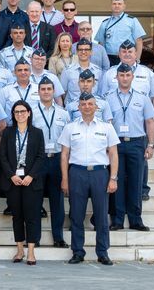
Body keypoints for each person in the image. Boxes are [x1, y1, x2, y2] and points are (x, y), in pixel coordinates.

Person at [60, 91, 119, 265]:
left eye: (90, 104)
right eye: (83, 104)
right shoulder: (70, 128)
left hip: (100, 173)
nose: (87, 107)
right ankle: (78, 251)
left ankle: (102, 252)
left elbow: (113, 154)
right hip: (77, 173)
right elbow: (64, 155)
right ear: (78, 107)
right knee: (76, 215)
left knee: (101, 215)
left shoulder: (106, 128)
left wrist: (113, 178)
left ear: (96, 107)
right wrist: (65, 179)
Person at [105, 63, 154, 231]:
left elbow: (150, 122)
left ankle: (136, 220)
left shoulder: (143, 97)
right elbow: (106, 124)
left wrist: (150, 144)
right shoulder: (108, 98)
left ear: (132, 77)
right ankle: (117, 220)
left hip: (136, 143)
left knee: (136, 181)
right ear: (117, 77)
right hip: (116, 144)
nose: (125, 78)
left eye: (128, 75)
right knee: (116, 180)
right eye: (122, 75)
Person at [0, 100, 45, 265]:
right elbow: (3, 156)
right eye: (16, 112)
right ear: (13, 114)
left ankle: (31, 252)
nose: (20, 114)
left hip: (31, 180)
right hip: (13, 180)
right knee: (17, 216)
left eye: (23, 111)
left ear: (29, 113)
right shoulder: (8, 132)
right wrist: (11, 175)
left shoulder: (37, 133)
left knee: (32, 216)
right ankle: (20, 250)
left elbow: (40, 156)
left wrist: (31, 175)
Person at [32, 78, 71, 249]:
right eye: (43, 89)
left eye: (49, 89)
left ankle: (58, 237)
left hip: (57, 159)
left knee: (58, 201)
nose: (46, 92)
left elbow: (68, 140)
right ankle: (34, 238)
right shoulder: (32, 112)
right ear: (38, 92)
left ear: (54, 91)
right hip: (38, 160)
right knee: (35, 201)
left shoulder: (63, 113)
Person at [96, 0, 147, 66]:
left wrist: (137, 59)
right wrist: (101, 60)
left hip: (127, 57)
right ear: (111, 6)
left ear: (124, 6)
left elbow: (139, 41)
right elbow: (101, 44)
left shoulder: (132, 21)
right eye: (114, 4)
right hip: (109, 58)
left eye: (119, 4)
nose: (116, 6)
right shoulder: (105, 23)